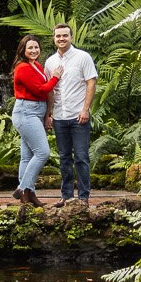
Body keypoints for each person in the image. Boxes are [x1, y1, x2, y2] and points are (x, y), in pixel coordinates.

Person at [44, 22, 98, 203]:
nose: (61, 39)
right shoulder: (50, 62)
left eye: (65, 35)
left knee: (81, 157)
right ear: (54, 38)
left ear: (71, 37)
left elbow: (91, 82)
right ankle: (66, 197)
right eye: (58, 36)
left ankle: (83, 198)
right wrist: (49, 114)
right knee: (64, 158)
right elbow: (50, 90)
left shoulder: (83, 57)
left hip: (78, 116)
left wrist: (85, 109)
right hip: (59, 116)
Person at [8, 34, 57, 208]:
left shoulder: (36, 66)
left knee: (27, 157)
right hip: (26, 112)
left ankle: (29, 195)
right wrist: (56, 77)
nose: (34, 50)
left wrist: (47, 114)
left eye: (36, 47)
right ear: (23, 50)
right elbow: (40, 90)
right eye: (30, 48)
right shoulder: (22, 68)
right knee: (43, 152)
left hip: (36, 112)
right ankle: (22, 188)